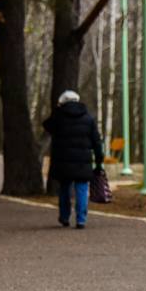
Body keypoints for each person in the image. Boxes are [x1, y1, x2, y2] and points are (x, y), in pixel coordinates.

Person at [43, 90, 103, 229]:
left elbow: (47, 125)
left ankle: (64, 217)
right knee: (82, 189)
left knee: (64, 189)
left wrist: (57, 109)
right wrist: (99, 160)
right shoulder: (88, 118)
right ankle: (81, 219)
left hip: (63, 161)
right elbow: (97, 141)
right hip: (83, 161)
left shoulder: (58, 117)